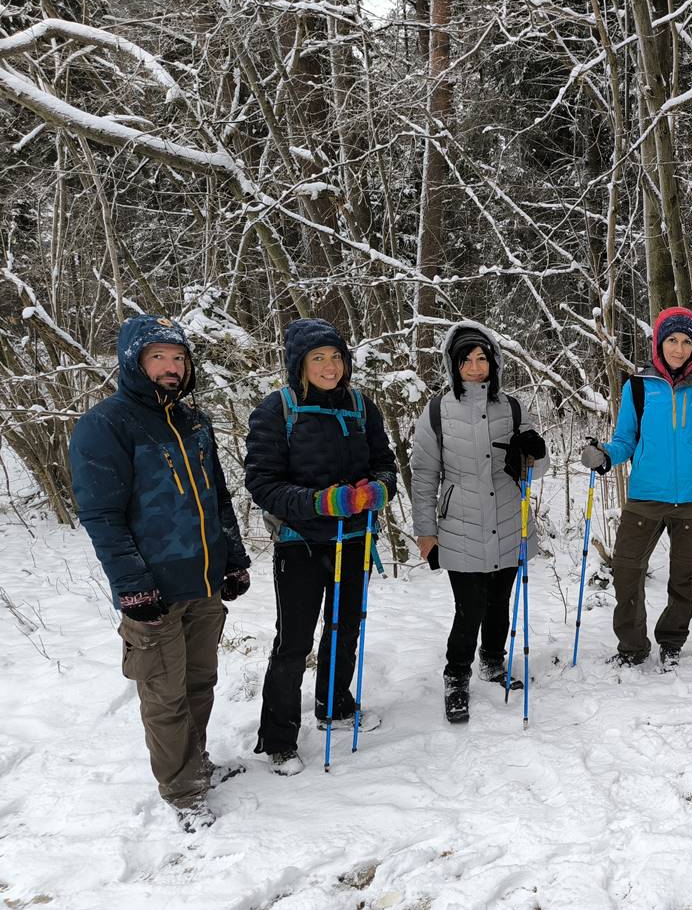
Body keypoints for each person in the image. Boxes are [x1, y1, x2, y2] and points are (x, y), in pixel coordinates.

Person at [69, 315, 251, 832]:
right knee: (164, 693)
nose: (171, 368)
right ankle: (182, 789)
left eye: (178, 358)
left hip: (204, 582)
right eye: (158, 358)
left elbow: (216, 498)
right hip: (153, 589)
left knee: (199, 682)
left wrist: (232, 559)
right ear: (134, 362)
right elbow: (101, 515)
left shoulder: (194, 422)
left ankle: (198, 765)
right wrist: (132, 586)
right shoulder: (107, 425)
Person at [244, 318, 397, 772]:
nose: (330, 367)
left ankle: (335, 705)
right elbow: (263, 483)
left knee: (344, 627)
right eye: (319, 359)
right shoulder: (278, 410)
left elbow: (384, 462)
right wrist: (321, 502)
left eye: (336, 357)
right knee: (293, 642)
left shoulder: (360, 407)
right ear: (300, 365)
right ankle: (278, 739)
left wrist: (379, 490)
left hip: (354, 541)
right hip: (301, 543)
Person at [579, 307, 692, 667]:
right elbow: (624, 440)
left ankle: (672, 641)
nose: (678, 348)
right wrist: (604, 456)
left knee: (682, 578)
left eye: (685, 341)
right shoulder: (638, 387)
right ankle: (633, 647)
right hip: (645, 497)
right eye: (671, 340)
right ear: (659, 343)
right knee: (626, 569)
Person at [409, 322, 549, 723]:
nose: (475, 366)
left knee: (499, 602)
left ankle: (493, 660)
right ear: (454, 365)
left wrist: (533, 454)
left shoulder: (513, 407)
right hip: (460, 522)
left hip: (507, 517)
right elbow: (424, 476)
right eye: (466, 359)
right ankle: (456, 676)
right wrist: (426, 532)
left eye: (482, 358)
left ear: (494, 363)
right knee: (469, 606)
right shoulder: (437, 411)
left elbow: (537, 469)